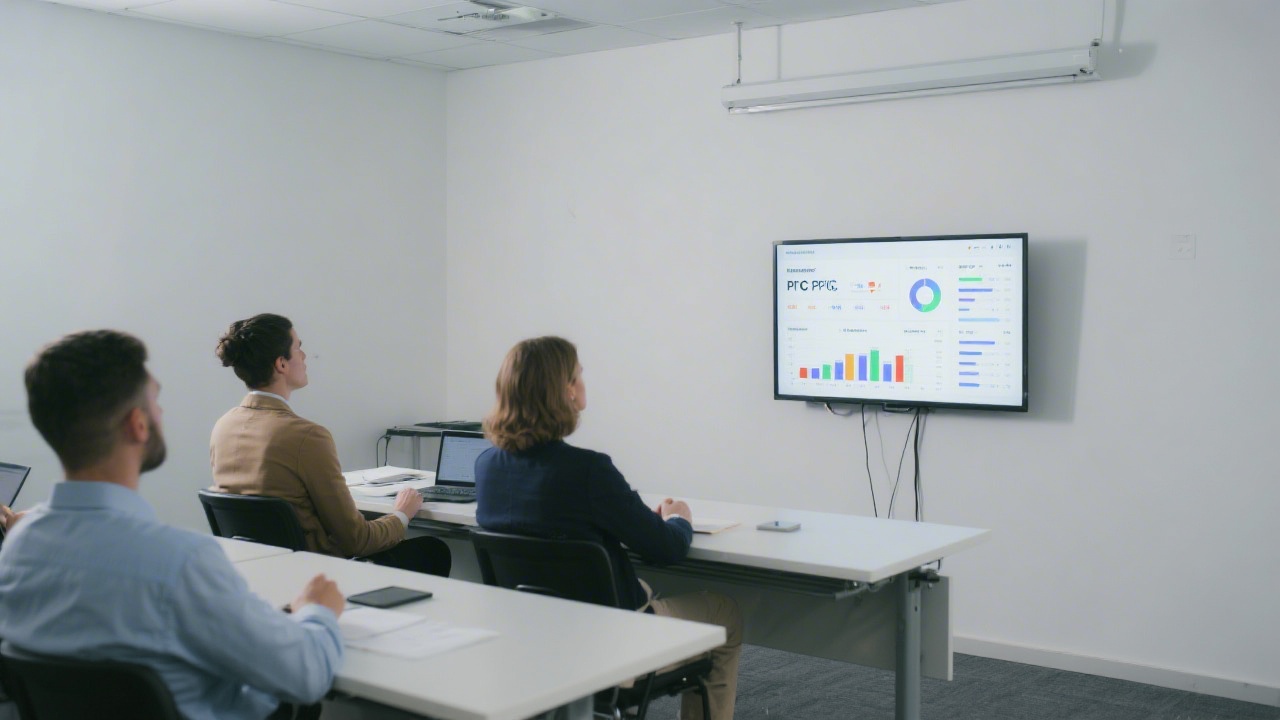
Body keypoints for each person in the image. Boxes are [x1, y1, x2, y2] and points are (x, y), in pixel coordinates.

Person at [0, 330, 344, 720]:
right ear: (138, 425)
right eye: (156, 401)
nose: (161, 413)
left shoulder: (18, 544)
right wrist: (317, 612)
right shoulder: (180, 561)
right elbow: (306, 675)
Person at [474, 336, 743, 720]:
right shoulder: (589, 471)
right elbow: (665, 548)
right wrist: (679, 518)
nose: (584, 381)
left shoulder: (486, 467)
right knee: (726, 613)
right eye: (579, 375)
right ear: (565, 390)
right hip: (613, 648)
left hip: (533, 645)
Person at [210, 313, 450, 576]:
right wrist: (402, 515)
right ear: (281, 364)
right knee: (432, 550)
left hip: (262, 574)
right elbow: (357, 540)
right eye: (298, 347)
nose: (304, 356)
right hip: (318, 576)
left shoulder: (223, 426)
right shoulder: (307, 436)